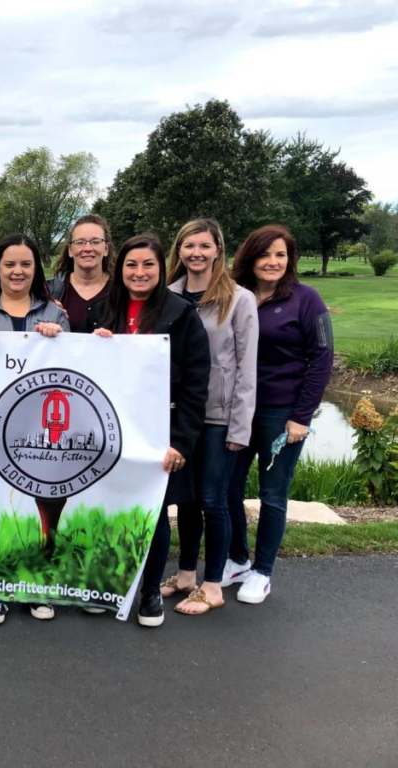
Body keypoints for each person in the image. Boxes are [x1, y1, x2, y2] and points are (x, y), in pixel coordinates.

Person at [86, 234, 210, 627]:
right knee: (110, 510)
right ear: (119, 269)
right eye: (131, 265)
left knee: (154, 516)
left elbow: (196, 383)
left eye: (148, 265)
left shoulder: (181, 313)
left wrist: (181, 442)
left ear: (161, 269)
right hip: (110, 432)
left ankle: (150, 590)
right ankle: (109, 585)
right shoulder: (104, 309)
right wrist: (95, 345)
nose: (139, 273)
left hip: (160, 434)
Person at [0, 234, 70, 626]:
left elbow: (76, 369)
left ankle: (39, 583)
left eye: (25, 264)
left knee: (44, 506)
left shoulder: (54, 314)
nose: (17, 271)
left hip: (41, 433)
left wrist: (60, 341)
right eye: (9, 264)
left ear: (36, 269)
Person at [225, 225, 333, 604]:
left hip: (280, 411)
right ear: (249, 258)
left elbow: (322, 359)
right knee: (227, 489)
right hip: (237, 410)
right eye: (265, 254)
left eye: (281, 255)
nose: (273, 262)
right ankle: (236, 559)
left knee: (272, 494)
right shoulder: (235, 296)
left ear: (290, 260)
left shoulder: (306, 299)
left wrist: (301, 416)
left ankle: (262, 572)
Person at [159, 219, 258, 616]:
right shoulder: (168, 295)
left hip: (219, 417)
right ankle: (185, 575)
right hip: (183, 416)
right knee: (186, 500)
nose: (195, 253)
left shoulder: (239, 299)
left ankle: (213, 584)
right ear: (178, 251)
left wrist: (240, 426)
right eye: (188, 246)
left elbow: (247, 368)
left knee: (214, 500)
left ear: (219, 249)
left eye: (204, 245)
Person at [48, 214, 114, 331]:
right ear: (70, 250)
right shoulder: (50, 292)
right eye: (80, 242)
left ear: (106, 249)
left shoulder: (122, 290)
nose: (88, 248)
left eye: (95, 241)